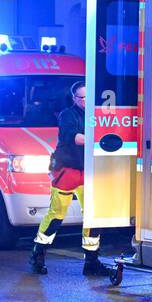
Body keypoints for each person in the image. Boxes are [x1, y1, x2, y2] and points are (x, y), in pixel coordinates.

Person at [29, 80, 105, 275]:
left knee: (93, 217)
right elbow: (75, 138)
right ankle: (38, 254)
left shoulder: (97, 115)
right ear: (74, 98)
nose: (86, 101)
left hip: (87, 171)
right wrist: (99, 138)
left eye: (89, 97)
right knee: (56, 215)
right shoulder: (67, 115)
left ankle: (91, 262)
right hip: (67, 170)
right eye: (82, 97)